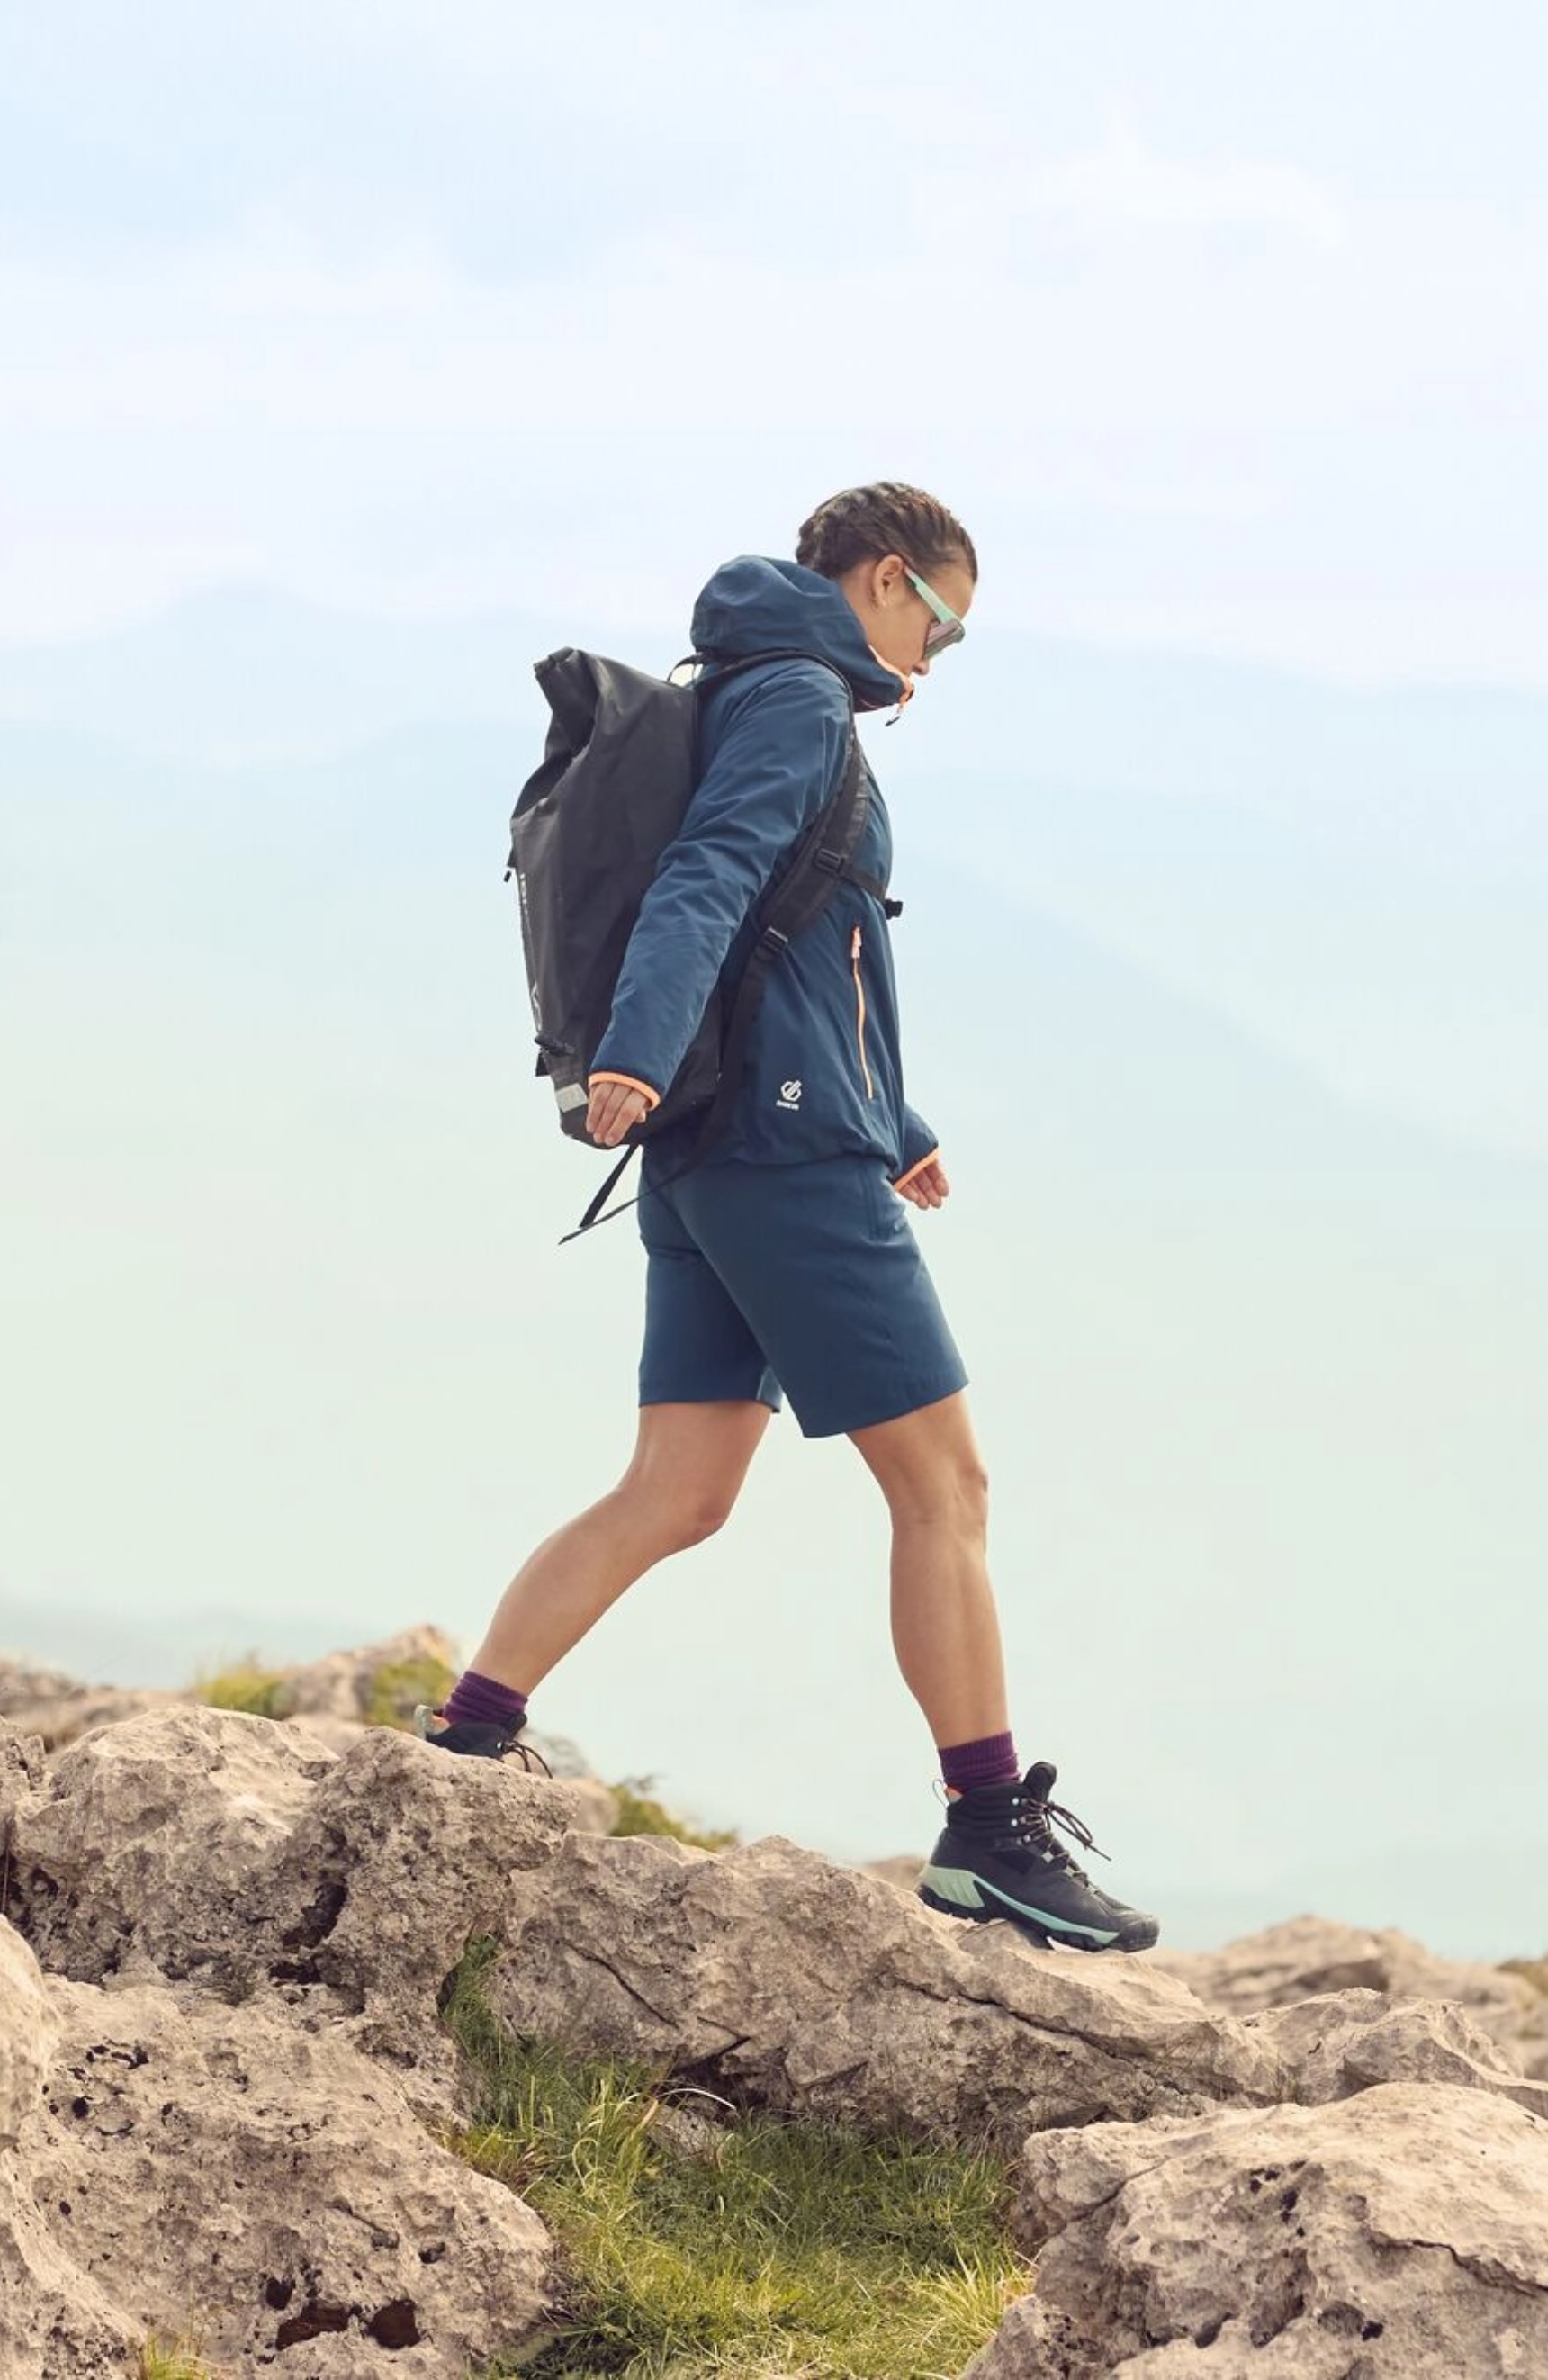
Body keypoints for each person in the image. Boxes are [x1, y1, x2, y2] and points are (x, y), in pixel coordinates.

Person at [421, 482, 1156, 1953]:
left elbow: (813, 956)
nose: (935, 666)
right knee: (946, 1489)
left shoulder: (750, 680)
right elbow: (713, 877)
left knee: (678, 1490)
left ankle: (466, 1741)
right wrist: (634, 1047)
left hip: (726, 1153)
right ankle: (989, 1830)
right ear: (889, 582)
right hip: (777, 1157)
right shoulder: (802, 705)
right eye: (942, 630)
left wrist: (900, 1125)